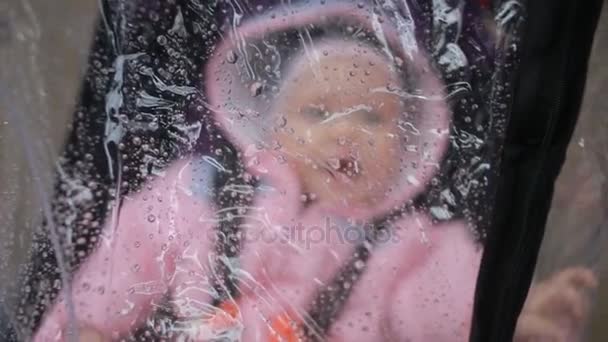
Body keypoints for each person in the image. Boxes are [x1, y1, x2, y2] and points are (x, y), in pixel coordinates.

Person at [32, 25, 597, 341]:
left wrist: (515, 312)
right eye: (318, 113)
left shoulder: (407, 243)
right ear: (273, 128)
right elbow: (120, 263)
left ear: (408, 144)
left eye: (373, 118)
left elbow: (449, 304)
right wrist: (86, 330)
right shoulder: (198, 195)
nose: (345, 132)